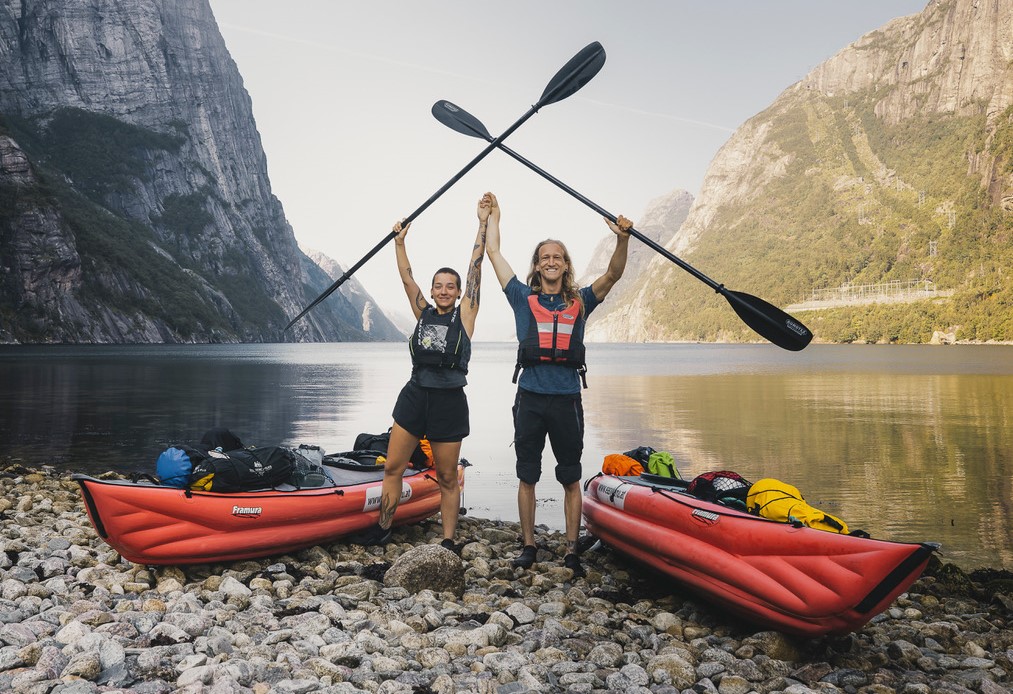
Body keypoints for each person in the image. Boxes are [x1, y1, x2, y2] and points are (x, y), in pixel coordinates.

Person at [485, 198, 632, 577]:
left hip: (566, 400)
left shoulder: (580, 302)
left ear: (566, 265)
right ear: (537, 265)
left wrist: (622, 239)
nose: (550, 262)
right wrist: (493, 217)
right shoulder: (522, 297)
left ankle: (570, 550)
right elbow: (494, 252)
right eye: (544, 257)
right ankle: (529, 546)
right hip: (531, 398)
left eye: (558, 257)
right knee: (527, 475)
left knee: (569, 476)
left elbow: (613, 276)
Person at [349, 192, 493, 549]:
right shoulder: (422, 312)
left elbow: (476, 267)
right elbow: (405, 277)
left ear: (460, 293)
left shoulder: (466, 316)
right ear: (431, 291)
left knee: (446, 476)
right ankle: (383, 527)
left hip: (449, 403)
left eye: (450, 287)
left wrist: (482, 224)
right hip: (414, 398)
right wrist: (399, 243)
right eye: (438, 286)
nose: (444, 291)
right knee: (393, 467)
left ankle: (447, 540)